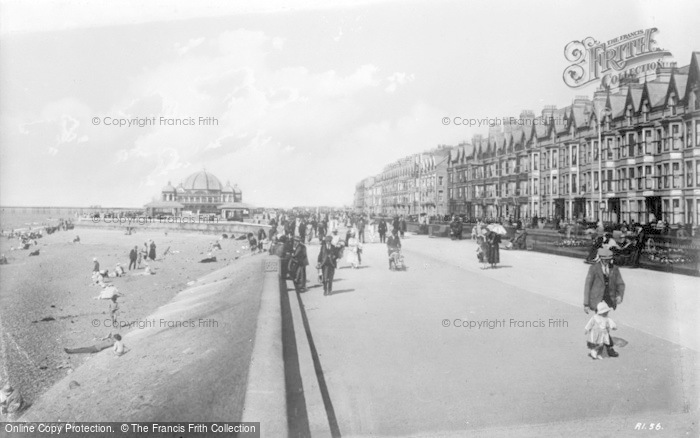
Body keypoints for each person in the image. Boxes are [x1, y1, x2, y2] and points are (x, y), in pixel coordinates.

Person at [583, 248, 625, 358]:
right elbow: (588, 285)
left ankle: (598, 347)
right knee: (601, 324)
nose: (608, 261)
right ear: (600, 258)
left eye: (609, 259)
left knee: (603, 324)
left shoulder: (614, 269)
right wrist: (586, 304)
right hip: (597, 300)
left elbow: (620, 283)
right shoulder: (593, 268)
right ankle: (607, 347)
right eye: (605, 259)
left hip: (609, 299)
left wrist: (619, 295)